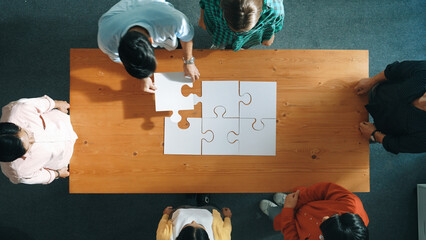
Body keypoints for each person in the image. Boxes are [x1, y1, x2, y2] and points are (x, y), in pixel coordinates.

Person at [98, 0, 200, 94]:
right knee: (172, 46)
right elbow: (118, 58)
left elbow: (186, 38)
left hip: (152, 4)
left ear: (151, 41)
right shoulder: (106, 42)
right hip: (117, 16)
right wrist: (144, 76)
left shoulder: (175, 21)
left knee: (173, 46)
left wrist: (189, 61)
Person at [0, 96, 78, 184]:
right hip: (72, 156)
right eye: (29, 146)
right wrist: (58, 173)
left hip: (69, 122)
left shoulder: (20, 109)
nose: (33, 140)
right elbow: (39, 176)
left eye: (28, 134)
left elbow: (43, 103)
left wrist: (58, 104)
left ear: (18, 127)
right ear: (16, 157)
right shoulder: (19, 171)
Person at [355, 60, 426, 154]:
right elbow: (396, 70)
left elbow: (396, 144)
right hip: (377, 91)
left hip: (382, 128)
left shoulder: (423, 140)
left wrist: (374, 134)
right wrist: (371, 81)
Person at [259, 182, 369, 240]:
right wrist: (296, 203)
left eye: (326, 223)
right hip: (304, 202)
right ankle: (287, 202)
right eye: (333, 216)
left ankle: (278, 210)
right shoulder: (351, 203)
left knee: (278, 218)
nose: (324, 217)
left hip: (292, 224)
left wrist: (288, 211)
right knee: (292, 198)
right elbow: (322, 190)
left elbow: (291, 237)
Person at [199, 0, 285, 51]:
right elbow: (203, 3)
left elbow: (276, 25)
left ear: (261, 11)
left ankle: (242, 46)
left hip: (250, 37)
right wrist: (202, 19)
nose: (238, 33)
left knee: (245, 45)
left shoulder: (275, 9)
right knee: (221, 43)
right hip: (222, 31)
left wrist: (269, 36)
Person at [156, 205, 232, 240]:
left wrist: (166, 214)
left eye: (187, 225)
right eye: (200, 225)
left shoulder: (164, 237)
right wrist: (227, 217)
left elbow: (163, 224)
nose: (194, 221)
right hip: (209, 210)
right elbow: (227, 228)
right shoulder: (223, 238)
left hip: (183, 209)